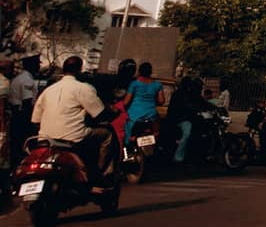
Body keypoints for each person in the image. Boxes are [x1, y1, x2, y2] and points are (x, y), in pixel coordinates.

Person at [30, 55, 115, 190]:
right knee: (107, 134)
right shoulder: (83, 88)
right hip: (73, 137)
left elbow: (35, 120)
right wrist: (113, 113)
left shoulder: (48, 90)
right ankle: (100, 174)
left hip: (45, 139)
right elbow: (100, 114)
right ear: (80, 70)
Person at [9, 55, 40, 167]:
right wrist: (32, 122)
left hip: (16, 114)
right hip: (22, 116)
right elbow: (27, 102)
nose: (39, 66)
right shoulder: (27, 79)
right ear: (31, 65)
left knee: (15, 146)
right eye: (37, 64)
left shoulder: (19, 77)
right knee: (23, 146)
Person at [122, 63, 163, 144]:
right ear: (150, 72)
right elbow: (161, 101)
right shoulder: (157, 85)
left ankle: (127, 150)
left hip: (135, 116)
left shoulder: (134, 84)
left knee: (128, 138)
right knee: (156, 135)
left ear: (139, 71)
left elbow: (126, 102)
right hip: (151, 116)